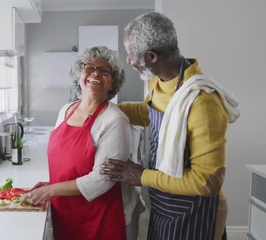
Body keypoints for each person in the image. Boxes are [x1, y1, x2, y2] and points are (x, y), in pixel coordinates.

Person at [100, 12, 240, 240]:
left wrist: (142, 176)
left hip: (195, 214)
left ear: (152, 57)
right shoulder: (160, 81)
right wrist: (103, 108)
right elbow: (149, 113)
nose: (128, 61)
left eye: (130, 54)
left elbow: (206, 182)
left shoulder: (202, 102)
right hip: (165, 205)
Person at [22, 46, 143, 240]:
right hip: (66, 211)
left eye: (104, 71)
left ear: (113, 83)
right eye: (89, 68)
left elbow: (101, 181)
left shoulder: (115, 121)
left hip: (98, 216)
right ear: (79, 74)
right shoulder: (66, 110)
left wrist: (52, 189)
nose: (96, 73)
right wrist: (50, 184)